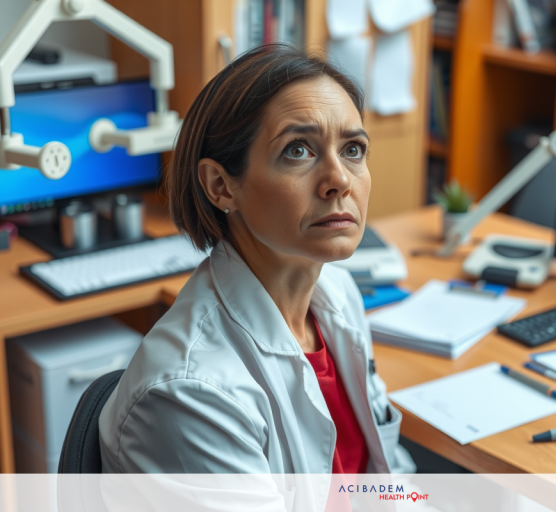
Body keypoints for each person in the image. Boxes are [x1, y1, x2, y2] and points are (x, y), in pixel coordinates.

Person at [99, 44, 414, 476]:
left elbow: (384, 477)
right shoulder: (193, 392)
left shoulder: (338, 295)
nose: (340, 179)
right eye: (298, 150)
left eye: (353, 150)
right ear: (221, 186)